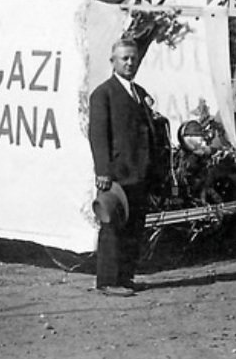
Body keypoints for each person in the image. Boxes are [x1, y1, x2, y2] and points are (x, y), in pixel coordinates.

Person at [89, 39, 157, 296]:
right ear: (113, 62)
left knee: (134, 227)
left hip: (140, 172)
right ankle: (108, 281)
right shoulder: (103, 93)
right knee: (113, 226)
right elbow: (98, 135)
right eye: (124, 59)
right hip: (117, 174)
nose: (130, 63)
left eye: (133, 59)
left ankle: (126, 277)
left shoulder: (139, 92)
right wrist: (103, 172)